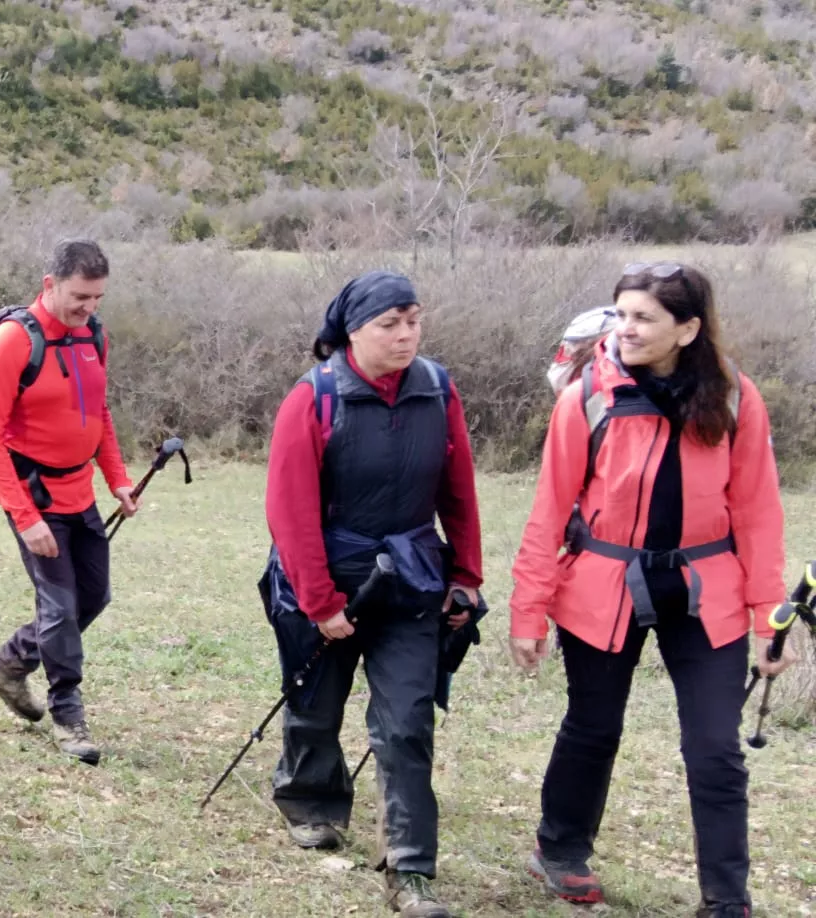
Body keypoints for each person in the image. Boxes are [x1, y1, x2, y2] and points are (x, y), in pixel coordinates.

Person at [509, 263, 789, 918]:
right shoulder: (587, 396)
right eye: (622, 314)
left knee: (716, 747)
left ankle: (726, 897)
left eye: (644, 318)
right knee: (594, 724)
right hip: (603, 582)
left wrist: (771, 619)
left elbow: (757, 513)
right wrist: (529, 611)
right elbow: (549, 510)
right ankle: (561, 851)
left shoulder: (733, 398)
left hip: (707, 586)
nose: (626, 329)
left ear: (688, 328)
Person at [260, 270, 481, 918]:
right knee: (316, 701)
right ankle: (310, 803)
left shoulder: (438, 391)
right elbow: (289, 508)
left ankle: (409, 872)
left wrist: (466, 574)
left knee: (407, 723)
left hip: (412, 581)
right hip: (328, 577)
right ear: (354, 330)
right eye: (390, 322)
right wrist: (321, 601)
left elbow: (459, 489)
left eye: (414, 319)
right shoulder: (316, 397)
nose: (406, 333)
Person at [0, 239, 140, 767]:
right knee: (59, 608)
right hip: (34, 495)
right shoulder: (17, 340)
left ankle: (8, 662)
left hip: (80, 491)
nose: (89, 308)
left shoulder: (94, 336)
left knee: (94, 596)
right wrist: (25, 516)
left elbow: (99, 413)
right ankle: (68, 715)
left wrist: (118, 480)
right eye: (80, 296)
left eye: (97, 298)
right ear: (50, 284)